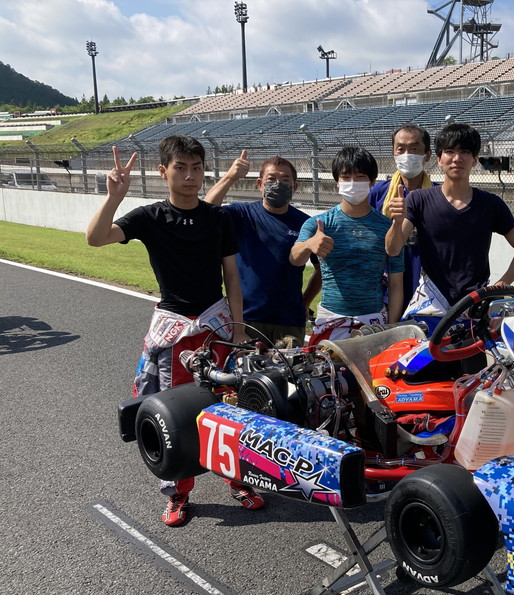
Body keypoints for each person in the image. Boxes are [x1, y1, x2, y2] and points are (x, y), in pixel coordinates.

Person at [85, 135, 263, 528]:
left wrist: (237, 331)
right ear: (162, 171)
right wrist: (114, 197)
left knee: (230, 406)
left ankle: (238, 479)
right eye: (180, 167)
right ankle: (178, 492)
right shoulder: (149, 217)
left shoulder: (218, 218)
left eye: (196, 167)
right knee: (175, 415)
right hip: (174, 333)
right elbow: (95, 238)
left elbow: (232, 278)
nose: (189, 176)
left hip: (217, 328)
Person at [385, 122, 514, 318]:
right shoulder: (419, 199)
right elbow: (393, 249)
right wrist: (397, 222)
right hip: (431, 301)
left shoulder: (491, 204)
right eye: (450, 151)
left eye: (465, 152)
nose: (457, 158)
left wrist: (501, 284)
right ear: (439, 159)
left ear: (474, 160)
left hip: (475, 305)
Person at [205, 150, 320, 346]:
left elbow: (322, 270)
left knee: (290, 367)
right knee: (243, 366)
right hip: (245, 320)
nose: (278, 184)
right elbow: (207, 211)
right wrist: (230, 177)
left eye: (285, 180)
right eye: (271, 179)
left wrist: (305, 301)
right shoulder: (242, 214)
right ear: (259, 184)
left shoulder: (306, 224)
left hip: (289, 321)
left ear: (295, 186)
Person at [290, 146, 404, 339]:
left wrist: (390, 328)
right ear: (337, 182)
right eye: (346, 177)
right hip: (330, 320)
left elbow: (396, 284)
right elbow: (295, 258)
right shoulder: (319, 223)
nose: (352, 183)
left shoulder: (388, 227)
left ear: (372, 182)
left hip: (373, 322)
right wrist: (309, 244)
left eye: (360, 177)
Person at [368, 123, 436, 309]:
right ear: (394, 153)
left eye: (414, 149)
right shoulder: (377, 193)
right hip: (386, 280)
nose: (407, 155)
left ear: (427, 155)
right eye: (401, 149)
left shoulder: (439, 194)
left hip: (427, 284)